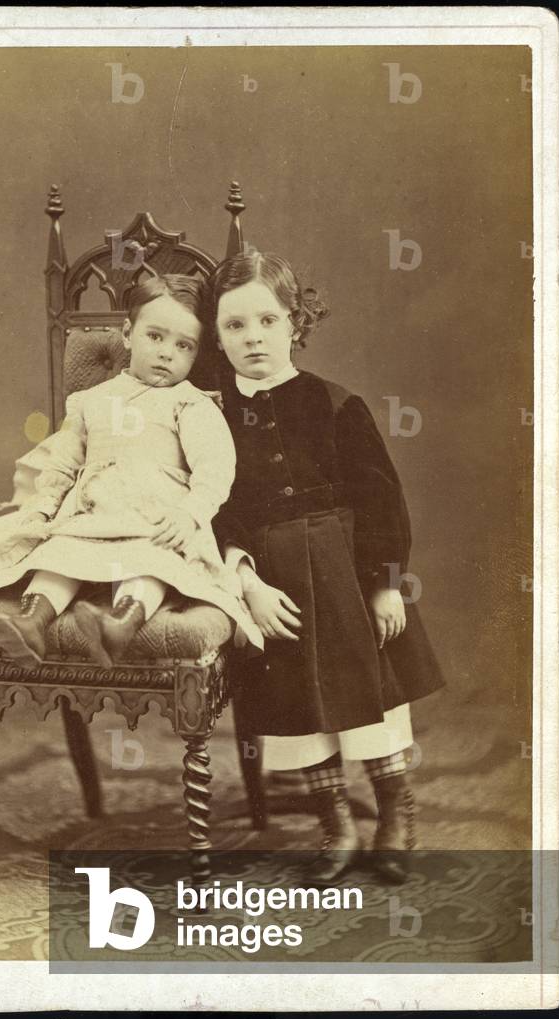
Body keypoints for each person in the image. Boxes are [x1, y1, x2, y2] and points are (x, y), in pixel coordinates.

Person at [208, 250, 446, 883]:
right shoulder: (210, 419)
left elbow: (381, 501)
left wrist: (386, 584)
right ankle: (334, 822)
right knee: (295, 706)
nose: (252, 337)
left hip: (348, 573)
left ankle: (395, 816)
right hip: (274, 583)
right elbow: (215, 511)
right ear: (217, 335)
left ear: (294, 321)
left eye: (266, 320)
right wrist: (245, 581)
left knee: (377, 696)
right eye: (234, 326)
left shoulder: (336, 404)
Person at [0, 273, 263, 667]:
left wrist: (189, 513)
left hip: (156, 519)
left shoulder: (191, 404)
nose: (167, 353)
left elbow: (215, 468)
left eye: (184, 346)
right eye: (155, 337)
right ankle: (31, 624)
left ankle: (119, 625)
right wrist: (44, 506)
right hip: (92, 512)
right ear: (127, 333)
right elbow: (62, 461)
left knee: (151, 559)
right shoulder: (92, 401)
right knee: (59, 553)